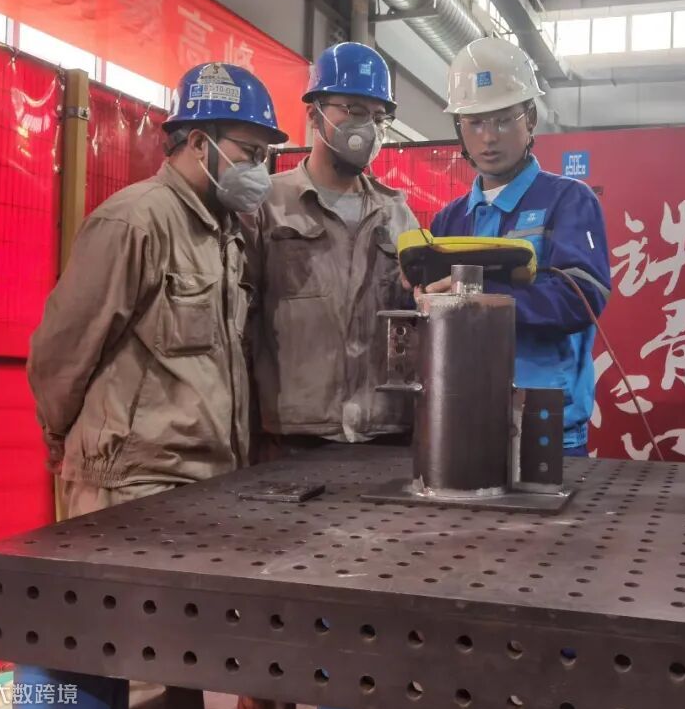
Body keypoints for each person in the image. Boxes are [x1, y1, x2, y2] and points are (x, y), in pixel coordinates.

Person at [19, 62, 287, 709]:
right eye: (251, 153)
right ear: (198, 142)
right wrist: (62, 438)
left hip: (199, 491)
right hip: (129, 492)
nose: (260, 171)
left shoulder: (225, 235)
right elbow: (60, 350)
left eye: (266, 157)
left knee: (177, 665)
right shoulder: (135, 223)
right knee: (122, 664)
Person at [427, 36, 611, 456]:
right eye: (475, 122)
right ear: (459, 129)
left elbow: (582, 297)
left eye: (503, 120)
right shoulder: (449, 220)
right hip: (460, 417)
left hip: (544, 423)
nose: (489, 137)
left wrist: (479, 298)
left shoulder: (568, 201)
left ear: (530, 119)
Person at [244, 42, 417, 461]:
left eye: (377, 116)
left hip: (385, 433)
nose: (367, 127)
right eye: (353, 110)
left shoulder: (396, 213)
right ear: (314, 113)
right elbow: (238, 324)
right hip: (292, 437)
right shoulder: (267, 205)